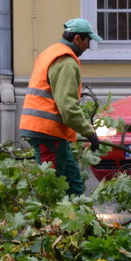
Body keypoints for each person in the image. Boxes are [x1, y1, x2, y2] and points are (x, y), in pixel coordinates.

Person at [19, 18, 103, 195]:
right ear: (77, 39)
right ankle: (48, 221)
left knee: (73, 183)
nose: (88, 47)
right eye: (88, 41)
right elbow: (68, 107)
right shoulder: (65, 62)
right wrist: (90, 133)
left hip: (48, 131)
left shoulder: (50, 53)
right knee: (52, 186)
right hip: (48, 132)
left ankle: (78, 218)